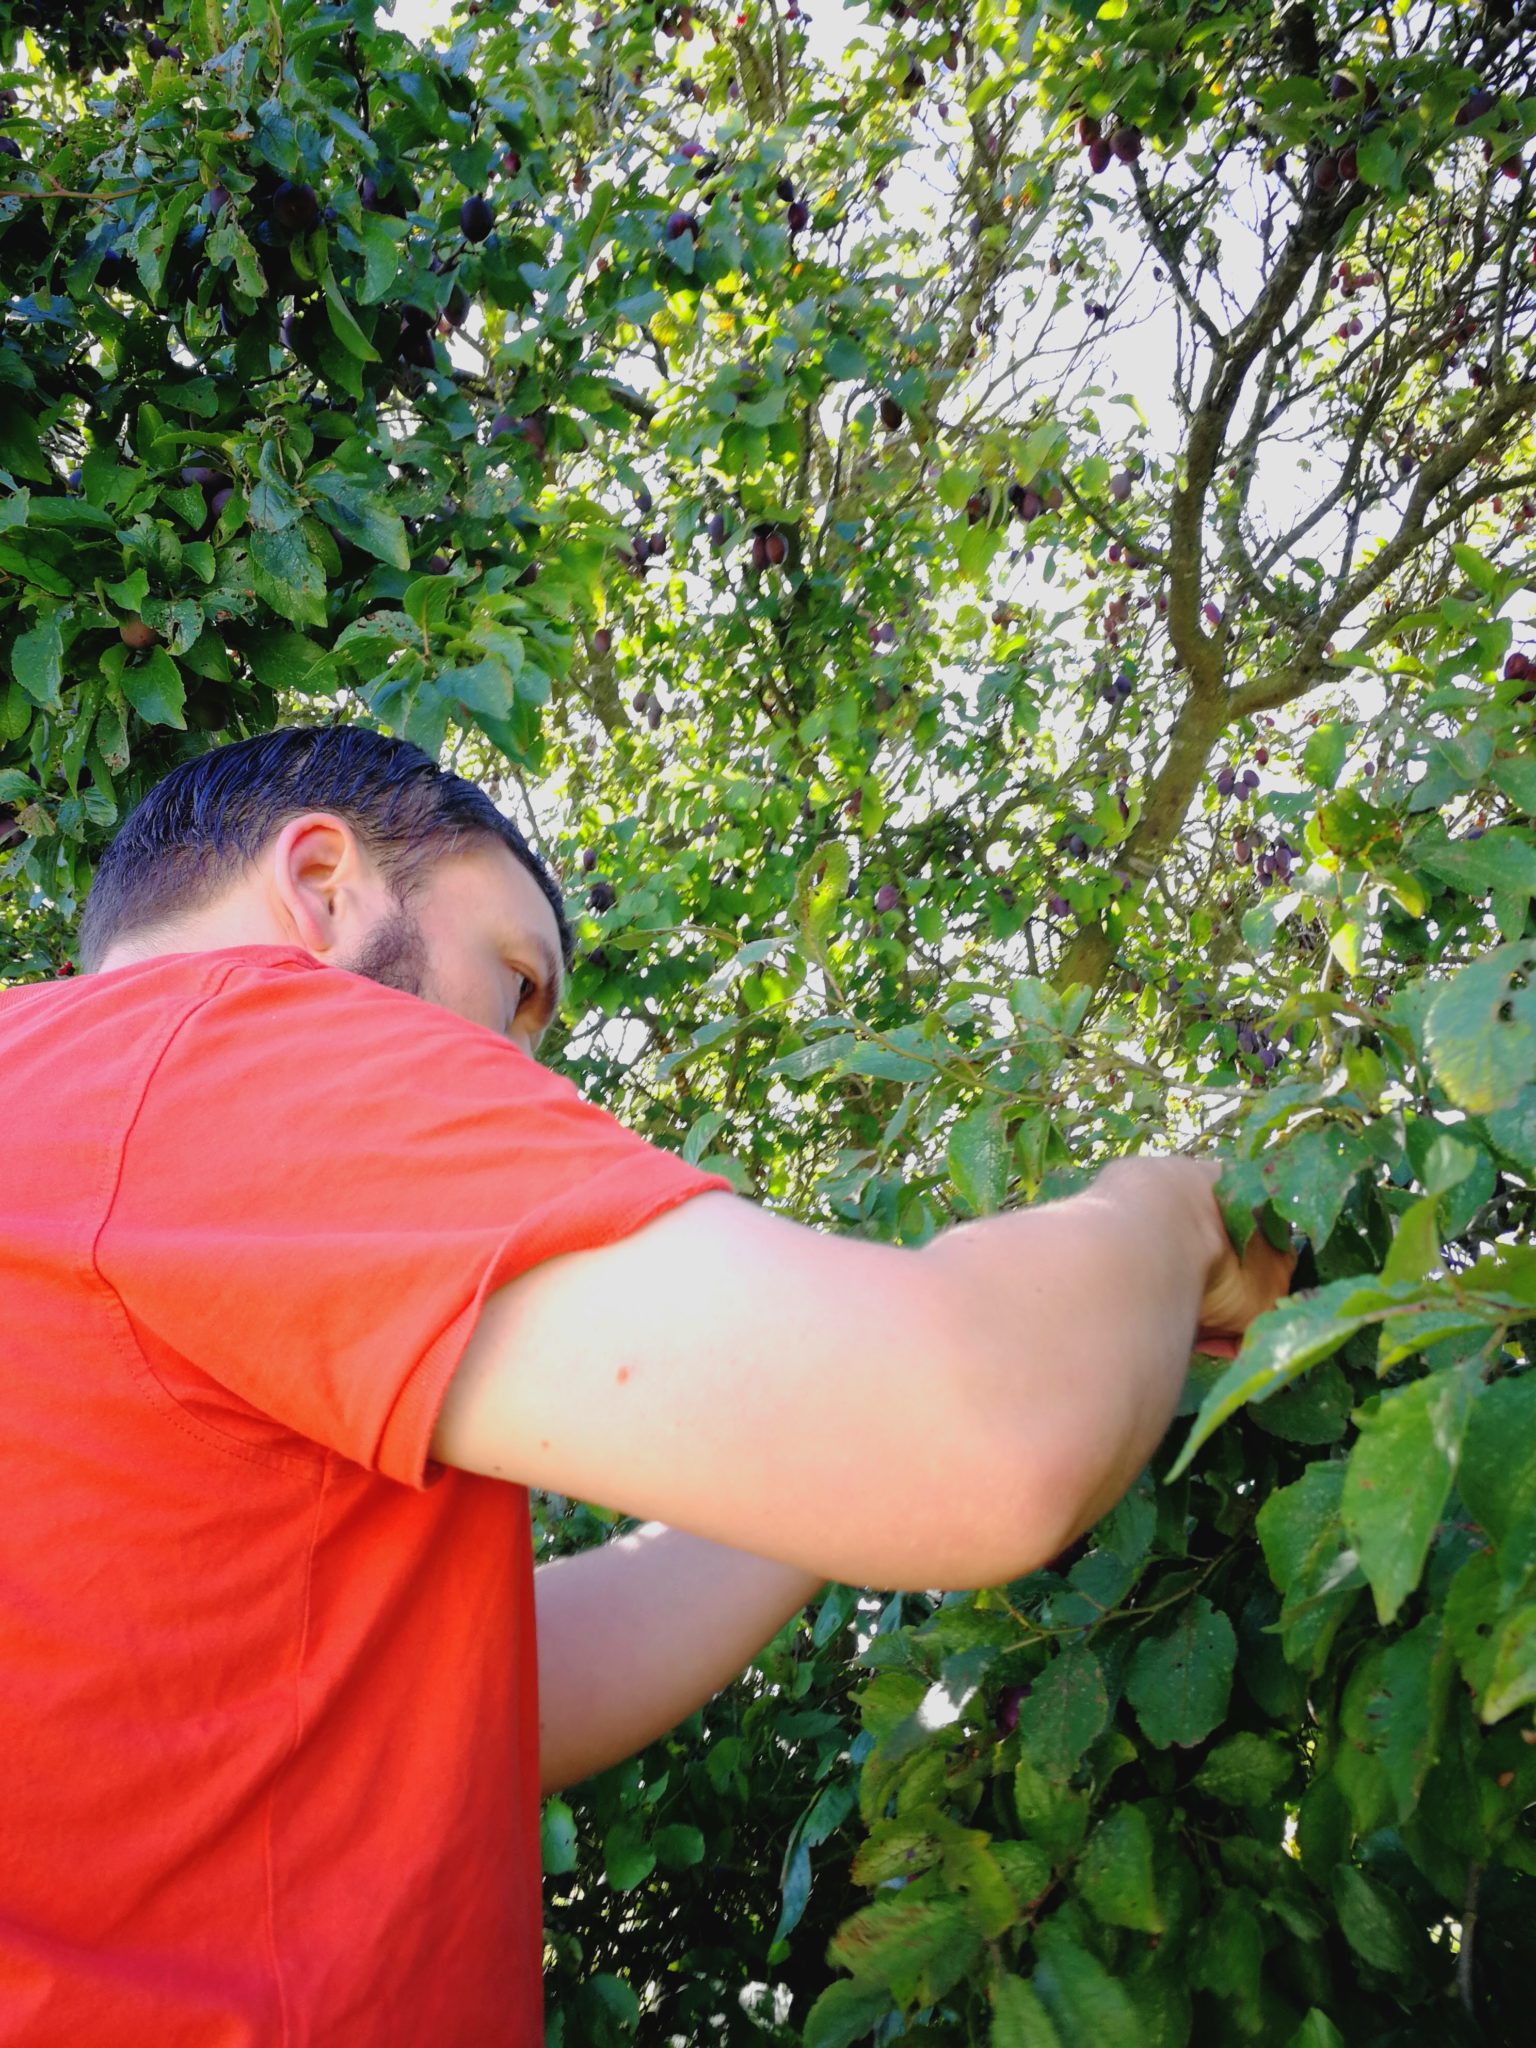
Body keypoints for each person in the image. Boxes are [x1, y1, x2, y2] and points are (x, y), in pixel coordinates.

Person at [0, 725, 1292, 2044]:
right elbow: (986, 1430)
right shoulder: (234, 1045)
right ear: (323, 885)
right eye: (515, 985)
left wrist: (823, 1468)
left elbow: (445, 1707)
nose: (518, 1072)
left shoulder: (55, 1138)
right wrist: (1175, 1217)